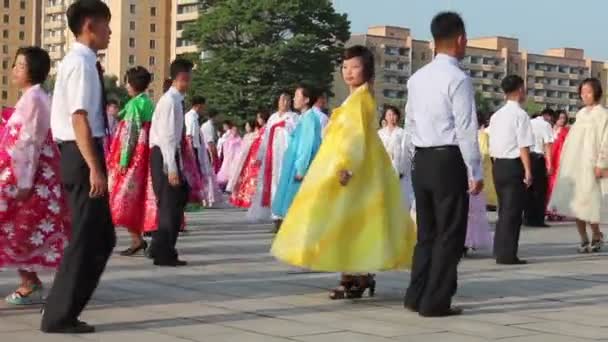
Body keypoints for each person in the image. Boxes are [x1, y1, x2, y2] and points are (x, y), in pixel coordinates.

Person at [271, 45, 416, 301]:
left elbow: (355, 137)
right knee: (348, 221)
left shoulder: (361, 99)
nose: (348, 72)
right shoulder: (354, 98)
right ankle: (354, 275)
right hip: (351, 165)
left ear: (367, 71)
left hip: (355, 168)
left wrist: (347, 166)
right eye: (345, 67)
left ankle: (356, 275)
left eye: (355, 66)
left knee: (352, 220)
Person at [41, 0, 116, 334]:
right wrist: (95, 168)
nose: (110, 32)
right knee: (88, 239)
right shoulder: (82, 64)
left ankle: (64, 311)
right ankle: (59, 315)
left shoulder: (79, 62)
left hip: (78, 153)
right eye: (106, 25)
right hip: (81, 153)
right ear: (89, 24)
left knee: (99, 237)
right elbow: (80, 118)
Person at [403, 12, 483, 317]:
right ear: (460, 39)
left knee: (427, 233)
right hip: (447, 159)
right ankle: (435, 302)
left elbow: (410, 124)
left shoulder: (416, 78)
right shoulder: (459, 79)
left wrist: (413, 162)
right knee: (450, 233)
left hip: (422, 159)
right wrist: (474, 171)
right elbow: (466, 128)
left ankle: (416, 294)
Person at [0, 47, 70, 306]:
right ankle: (30, 281)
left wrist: (24, 182)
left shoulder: (34, 99)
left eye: (20, 65)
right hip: (21, 177)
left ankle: (32, 283)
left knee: (21, 229)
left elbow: (29, 143)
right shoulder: (32, 97)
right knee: (18, 230)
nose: (14, 70)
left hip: (26, 180)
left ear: (33, 70)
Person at [549, 78, 608, 253]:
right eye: (582, 92)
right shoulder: (581, 114)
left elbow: (606, 142)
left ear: (596, 92)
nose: (584, 95)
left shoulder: (604, 114)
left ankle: (596, 234)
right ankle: (583, 238)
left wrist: (601, 164)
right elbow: (571, 140)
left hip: (592, 165)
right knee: (576, 202)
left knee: (589, 202)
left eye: (588, 92)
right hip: (575, 163)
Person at [148, 59, 193, 267]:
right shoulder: (170, 102)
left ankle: (159, 246)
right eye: (189, 77)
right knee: (170, 207)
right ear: (181, 78)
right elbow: (167, 137)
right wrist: (172, 168)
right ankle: (164, 253)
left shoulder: (174, 100)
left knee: (173, 203)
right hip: (164, 154)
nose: (190, 82)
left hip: (167, 154)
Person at [106, 66, 156, 256]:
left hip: (133, 158)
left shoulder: (135, 105)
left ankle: (136, 238)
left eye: (127, 81)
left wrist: (124, 160)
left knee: (122, 196)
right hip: (144, 157)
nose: (126, 85)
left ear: (132, 84)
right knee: (138, 197)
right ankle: (137, 239)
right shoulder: (148, 103)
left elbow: (130, 135)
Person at [488, 75, 534, 265]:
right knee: (513, 212)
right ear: (520, 90)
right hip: (514, 165)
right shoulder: (520, 115)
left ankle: (499, 249)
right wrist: (528, 171)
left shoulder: (496, 115)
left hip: (498, 165)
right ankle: (508, 254)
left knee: (503, 211)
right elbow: (523, 146)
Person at [271, 85, 322, 227]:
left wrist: (301, 169)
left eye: (297, 96)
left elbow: (307, 146)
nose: (293, 99)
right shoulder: (304, 117)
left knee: (296, 203)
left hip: (299, 166)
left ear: (306, 100)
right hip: (294, 164)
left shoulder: (310, 119)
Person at [247, 92, 298, 227]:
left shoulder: (294, 117)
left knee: (284, 182)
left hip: (286, 155)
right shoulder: (272, 118)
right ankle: (275, 216)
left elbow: (296, 134)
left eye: (287, 100)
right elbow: (265, 138)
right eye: (282, 100)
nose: (285, 102)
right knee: (272, 183)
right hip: (272, 155)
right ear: (278, 102)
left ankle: (284, 215)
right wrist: (260, 155)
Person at [465, 112, 494, 255]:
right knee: (469, 212)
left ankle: (469, 240)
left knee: (472, 212)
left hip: (472, 174)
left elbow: (482, 154)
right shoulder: (472, 135)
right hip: (468, 173)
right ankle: (466, 241)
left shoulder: (479, 136)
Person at [378, 106, 415, 213]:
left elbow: (410, 153)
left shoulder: (404, 134)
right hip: (384, 175)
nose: (392, 117)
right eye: (389, 115)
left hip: (401, 176)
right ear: (385, 117)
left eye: (394, 115)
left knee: (401, 208)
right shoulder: (380, 134)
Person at [230, 111, 270, 208]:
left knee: (253, 178)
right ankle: (247, 198)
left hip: (258, 156)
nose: (258, 120)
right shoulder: (262, 130)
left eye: (259, 118)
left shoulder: (266, 129)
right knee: (249, 177)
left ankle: (251, 199)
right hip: (253, 156)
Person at [524, 108, 554, 227]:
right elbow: (547, 145)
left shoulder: (528, 123)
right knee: (540, 190)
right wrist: (550, 164)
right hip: (538, 158)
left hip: (526, 157)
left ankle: (527, 218)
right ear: (548, 116)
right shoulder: (545, 125)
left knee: (528, 189)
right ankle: (538, 219)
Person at [546, 110, 570, 221]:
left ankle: (557, 211)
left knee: (557, 187)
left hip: (560, 162)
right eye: (560, 117)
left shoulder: (566, 131)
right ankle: (548, 210)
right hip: (549, 161)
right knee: (548, 187)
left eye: (564, 118)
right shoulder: (549, 129)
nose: (562, 120)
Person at [226, 119, 257, 193]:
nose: (246, 127)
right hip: (240, 155)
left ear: (250, 127)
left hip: (246, 156)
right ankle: (233, 187)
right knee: (236, 171)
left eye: (247, 126)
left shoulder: (254, 135)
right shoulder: (246, 135)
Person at [478, 112, 497, 209]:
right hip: (486, 161)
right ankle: (490, 202)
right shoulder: (484, 135)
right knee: (488, 182)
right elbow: (486, 150)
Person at [216, 121, 243, 187]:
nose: (234, 131)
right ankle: (225, 183)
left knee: (233, 170)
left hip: (235, 157)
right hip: (229, 156)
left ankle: (231, 184)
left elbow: (241, 148)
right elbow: (225, 146)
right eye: (233, 130)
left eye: (235, 130)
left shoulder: (239, 139)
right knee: (226, 169)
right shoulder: (228, 137)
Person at [184, 96, 206, 169]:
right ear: (199, 105)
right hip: (192, 148)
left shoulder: (195, 117)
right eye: (203, 106)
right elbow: (189, 135)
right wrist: (191, 152)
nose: (203, 109)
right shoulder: (191, 117)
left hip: (196, 147)